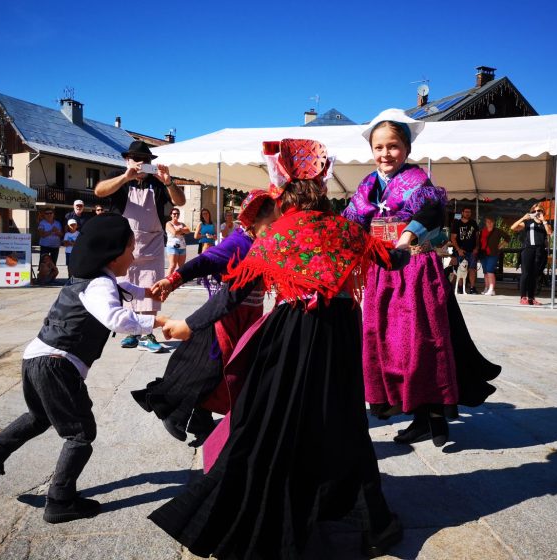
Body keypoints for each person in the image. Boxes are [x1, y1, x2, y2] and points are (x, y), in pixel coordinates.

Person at [149, 138, 406, 559]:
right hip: (340, 334)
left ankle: (265, 508)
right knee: (342, 422)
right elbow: (391, 260)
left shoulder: (278, 235)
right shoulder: (347, 229)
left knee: (268, 421)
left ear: (283, 195)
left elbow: (233, 292)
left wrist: (188, 323)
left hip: (291, 335)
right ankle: (366, 518)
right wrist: (417, 239)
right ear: (322, 188)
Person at [0, 213, 168, 524]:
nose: (134, 254)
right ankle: (60, 500)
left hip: (35, 357)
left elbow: (121, 287)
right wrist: (156, 322)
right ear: (112, 253)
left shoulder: (93, 278)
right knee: (81, 434)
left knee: (37, 417)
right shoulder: (100, 285)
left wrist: (145, 293)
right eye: (130, 248)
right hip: (58, 364)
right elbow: (115, 318)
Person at [343, 109, 500, 446]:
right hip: (382, 272)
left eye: (393, 146)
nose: (386, 154)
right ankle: (415, 412)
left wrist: (406, 237)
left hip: (414, 268)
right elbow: (351, 225)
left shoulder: (416, 181)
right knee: (389, 343)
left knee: (421, 342)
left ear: (407, 149)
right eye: (379, 147)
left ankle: (433, 415)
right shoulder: (367, 185)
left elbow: (432, 211)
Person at [131, 191, 277, 447]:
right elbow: (206, 260)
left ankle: (201, 419)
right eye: (272, 223)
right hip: (226, 316)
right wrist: (173, 279)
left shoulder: (266, 244)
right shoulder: (239, 243)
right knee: (211, 370)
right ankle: (177, 414)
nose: (277, 228)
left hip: (250, 316)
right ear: (254, 219)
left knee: (229, 371)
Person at [94, 140, 186, 353]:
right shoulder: (118, 178)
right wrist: (126, 177)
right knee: (126, 288)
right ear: (128, 160)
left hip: (152, 244)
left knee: (152, 288)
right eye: (136, 159)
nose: (140, 164)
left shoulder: (157, 183)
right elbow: (99, 191)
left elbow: (179, 202)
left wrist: (169, 182)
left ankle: (147, 333)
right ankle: (132, 332)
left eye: (145, 160)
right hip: (126, 244)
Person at [510, 202, 552, 305]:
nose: (536, 212)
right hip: (528, 249)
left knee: (534, 275)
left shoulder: (545, 223)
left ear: (543, 211)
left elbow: (550, 232)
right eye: (534, 211)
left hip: (539, 251)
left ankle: (531, 298)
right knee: (526, 273)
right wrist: (523, 218)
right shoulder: (528, 223)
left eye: (539, 210)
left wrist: (544, 221)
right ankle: (523, 297)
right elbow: (513, 228)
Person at [450, 205, 480, 294]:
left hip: (472, 250)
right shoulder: (457, 223)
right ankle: (460, 288)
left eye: (469, 212)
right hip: (461, 250)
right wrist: (458, 249)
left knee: (472, 269)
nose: (468, 213)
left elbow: (477, 236)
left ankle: (472, 288)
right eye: (466, 212)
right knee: (461, 269)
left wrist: (477, 247)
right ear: (462, 213)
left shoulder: (473, 223)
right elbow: (453, 238)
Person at [478, 215, 510, 296]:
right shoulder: (482, 231)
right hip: (483, 253)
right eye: (488, 222)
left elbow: (507, 237)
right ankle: (486, 287)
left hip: (493, 253)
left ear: (494, 223)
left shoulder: (497, 231)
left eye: (491, 222)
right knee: (485, 272)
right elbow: (479, 242)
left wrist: (501, 245)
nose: (489, 223)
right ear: (485, 223)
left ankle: (492, 289)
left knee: (490, 271)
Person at [164, 208, 190, 277]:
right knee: (173, 266)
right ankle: (167, 281)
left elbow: (188, 231)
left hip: (182, 247)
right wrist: (182, 231)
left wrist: (180, 229)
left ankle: (178, 281)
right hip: (172, 247)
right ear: (171, 215)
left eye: (177, 213)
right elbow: (174, 232)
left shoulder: (182, 224)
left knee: (181, 267)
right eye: (174, 214)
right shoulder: (168, 223)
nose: (176, 215)